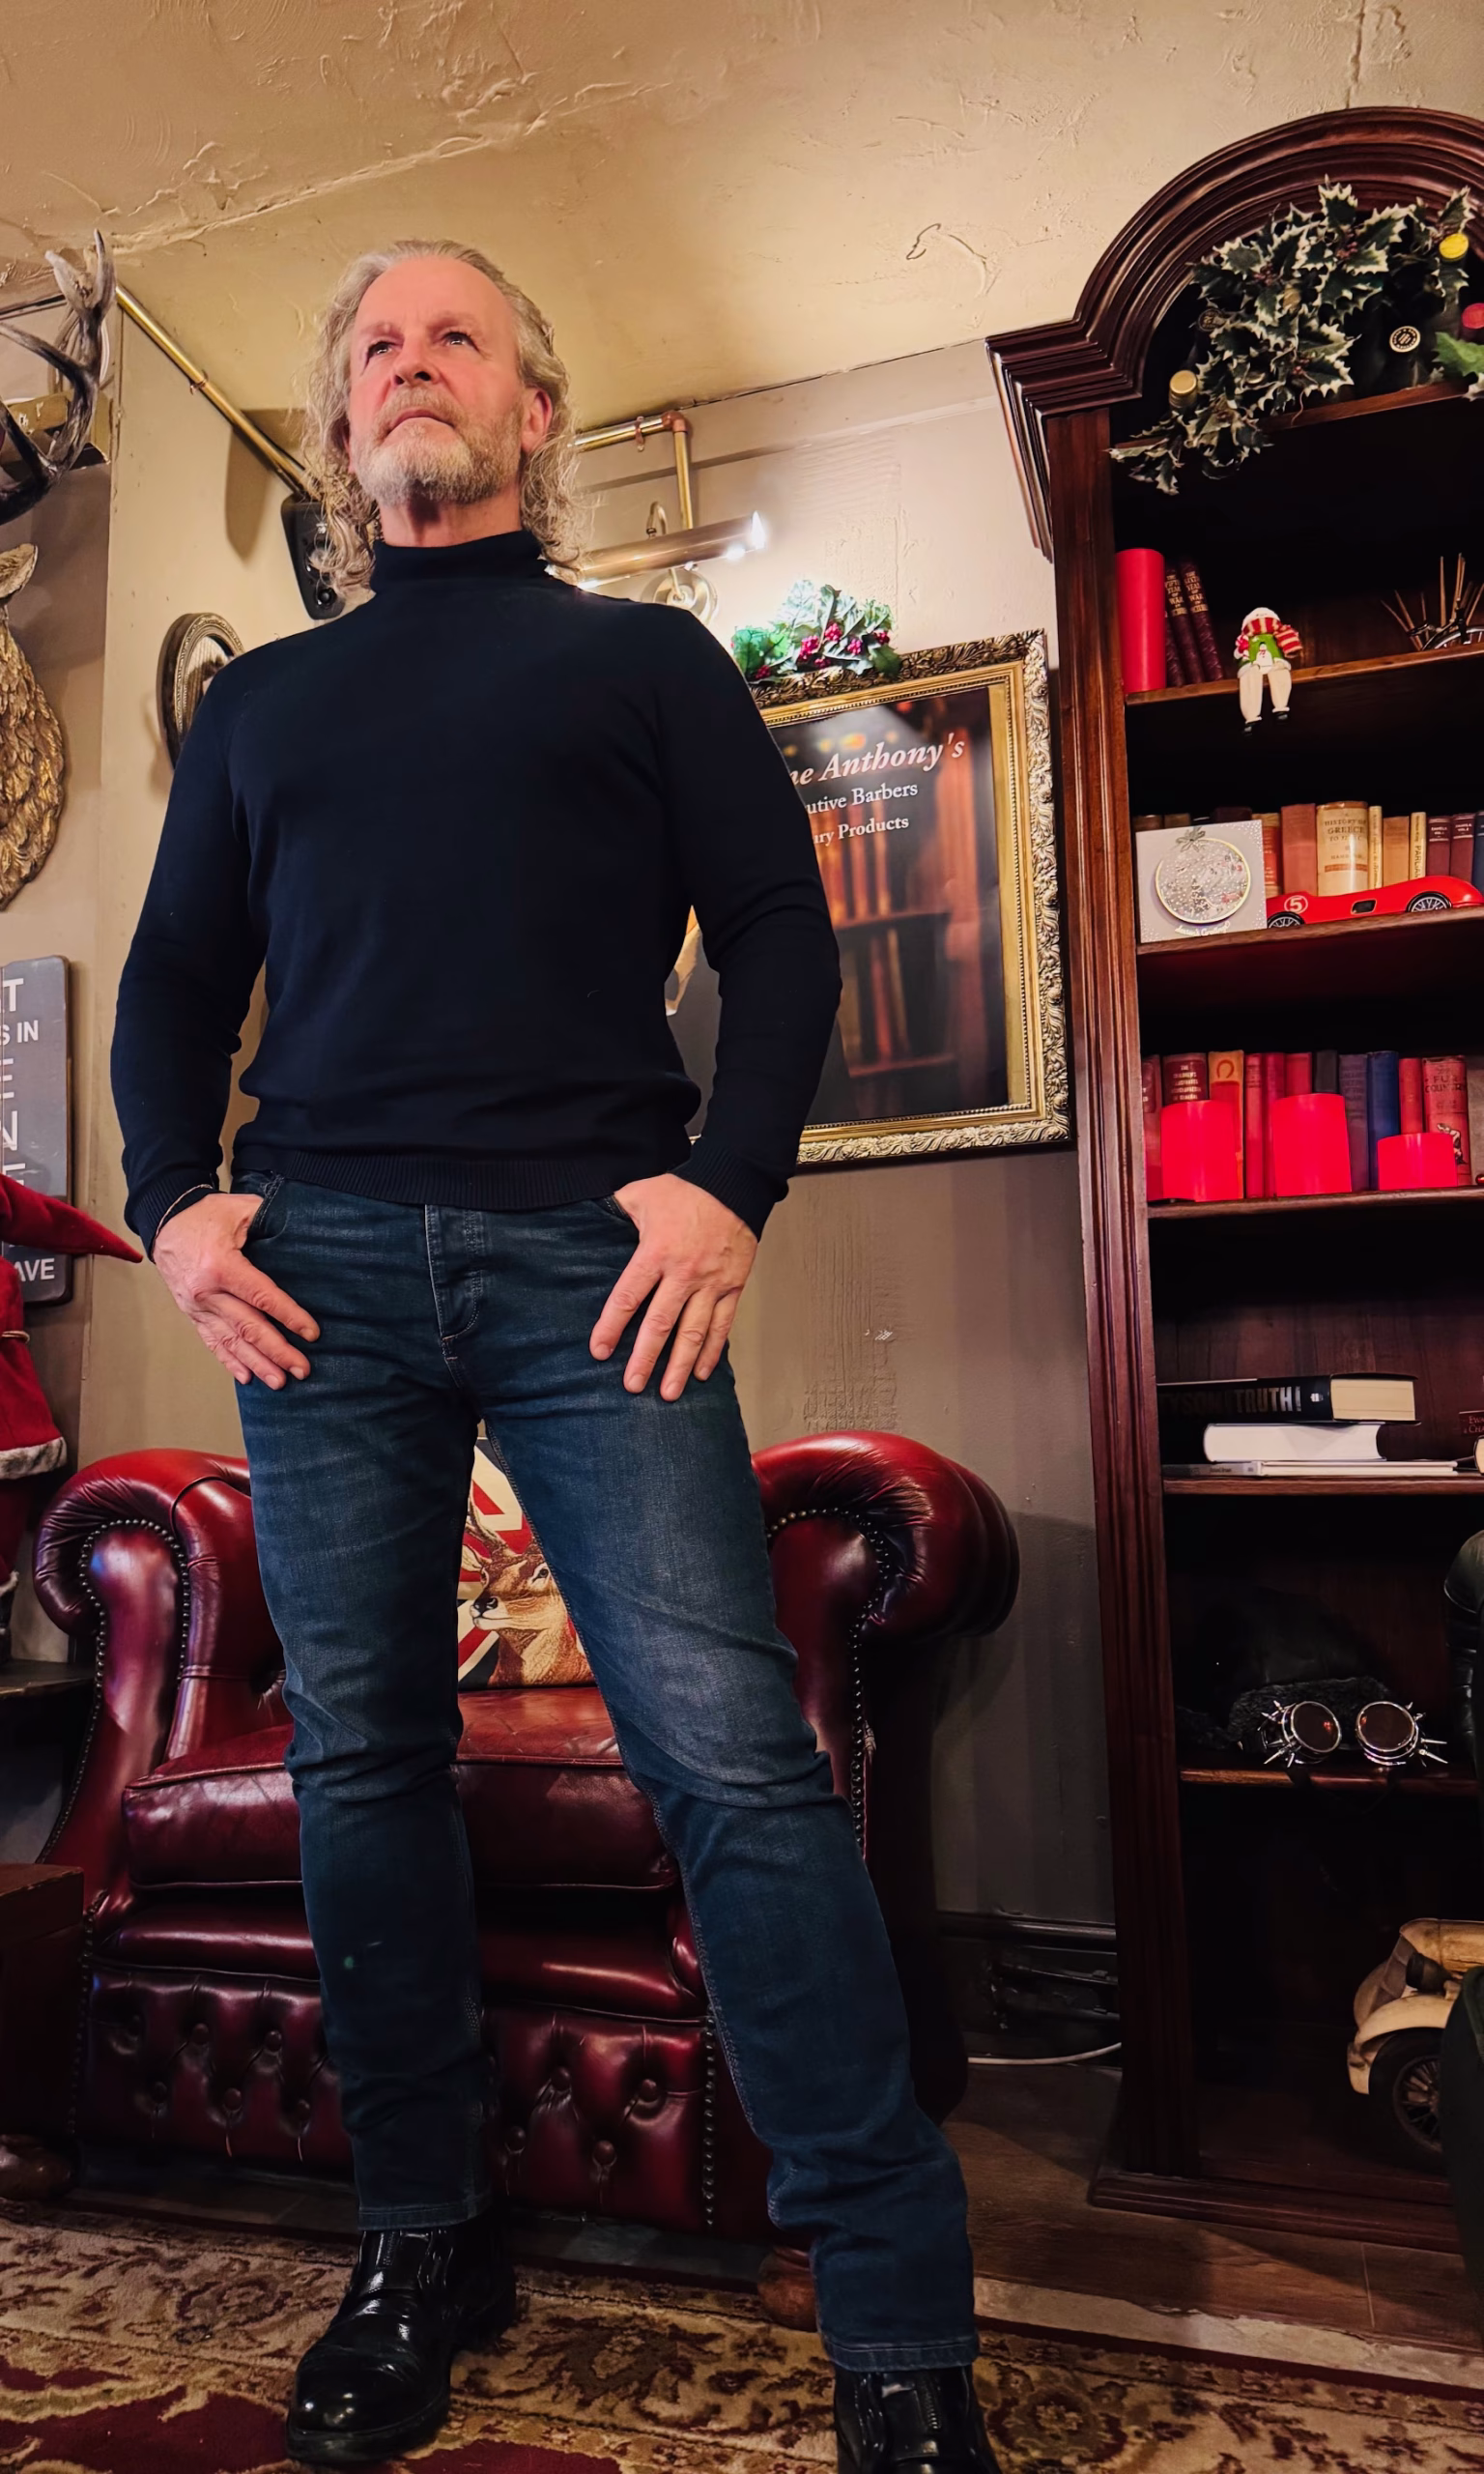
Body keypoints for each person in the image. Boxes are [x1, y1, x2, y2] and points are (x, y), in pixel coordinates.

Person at [111, 240, 996, 2474]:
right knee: (363, 1764)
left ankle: (896, 2326)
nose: (411, 363)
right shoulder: (262, 709)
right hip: (317, 1272)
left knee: (736, 1764)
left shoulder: (647, 660)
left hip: (595, 1264)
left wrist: (728, 1182)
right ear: (342, 431)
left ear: (534, 411)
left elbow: (782, 928)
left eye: (457, 337)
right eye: (374, 347)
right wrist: (173, 1201)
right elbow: (173, 979)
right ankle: (423, 2240)